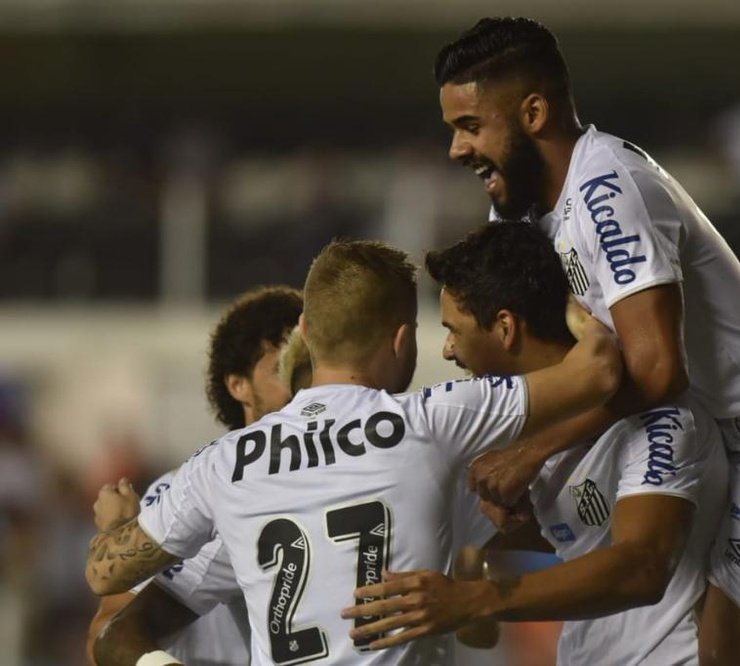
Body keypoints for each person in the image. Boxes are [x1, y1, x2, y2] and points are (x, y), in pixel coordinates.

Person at [434, 17, 740, 664]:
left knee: (731, 655)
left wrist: (533, 451)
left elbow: (657, 368)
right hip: (707, 442)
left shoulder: (610, 190)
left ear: (533, 112)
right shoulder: (517, 207)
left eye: (470, 126)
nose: (456, 149)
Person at [84, 239, 622, 665]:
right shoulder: (435, 422)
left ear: (307, 335)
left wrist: (116, 530)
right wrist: (568, 300)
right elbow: (599, 367)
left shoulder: (223, 463)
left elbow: (104, 581)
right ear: (402, 340)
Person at [345, 222, 727, 665]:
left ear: (505, 328)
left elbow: (642, 568)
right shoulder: (520, 446)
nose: (448, 351)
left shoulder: (662, 422)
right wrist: (489, 536)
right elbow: (486, 627)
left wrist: (474, 598)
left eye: (454, 329)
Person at [88, 285, 302, 665]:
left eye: (308, 366)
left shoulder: (329, 478)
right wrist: (118, 537)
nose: (301, 383)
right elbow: (104, 637)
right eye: (282, 368)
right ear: (238, 386)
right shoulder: (181, 490)